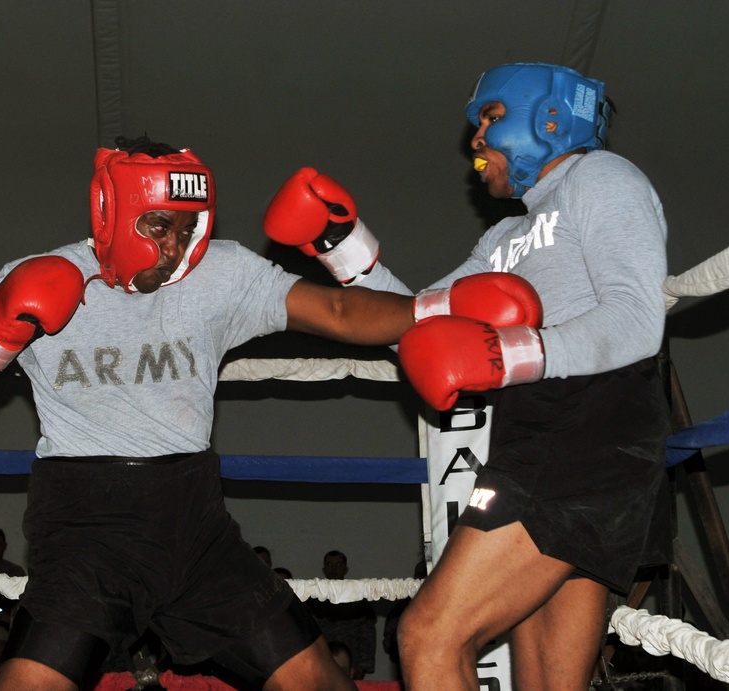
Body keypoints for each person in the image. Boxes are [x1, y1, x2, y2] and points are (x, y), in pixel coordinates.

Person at [0, 135, 537, 691]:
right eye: (160, 227)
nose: (175, 247)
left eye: (188, 229)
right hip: (86, 534)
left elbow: (341, 313)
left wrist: (442, 307)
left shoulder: (221, 271)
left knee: (320, 682)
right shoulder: (36, 276)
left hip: (196, 527)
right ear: (111, 213)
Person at [264, 62, 669, 690]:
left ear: (550, 117)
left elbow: (638, 319)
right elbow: (418, 322)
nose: (475, 139)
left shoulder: (603, 179)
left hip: (590, 432)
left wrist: (513, 354)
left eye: (491, 117)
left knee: (428, 634)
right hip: (537, 435)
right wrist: (339, 243)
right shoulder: (504, 237)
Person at [304, 552, 376, 680]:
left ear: (345, 569)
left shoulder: (357, 598)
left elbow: (367, 635)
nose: (334, 569)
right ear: (324, 569)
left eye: (338, 565)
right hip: (321, 663)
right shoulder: (313, 599)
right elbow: (306, 634)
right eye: (330, 564)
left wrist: (363, 665)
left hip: (351, 666)